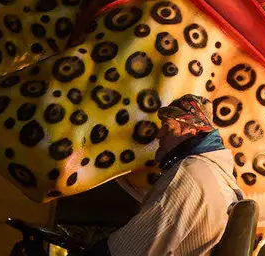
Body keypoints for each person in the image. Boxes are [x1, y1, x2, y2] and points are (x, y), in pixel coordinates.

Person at [88, 95, 241, 256]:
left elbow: (129, 249)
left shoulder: (188, 174)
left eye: (167, 127)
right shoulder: (215, 173)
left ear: (190, 131)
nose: (159, 134)